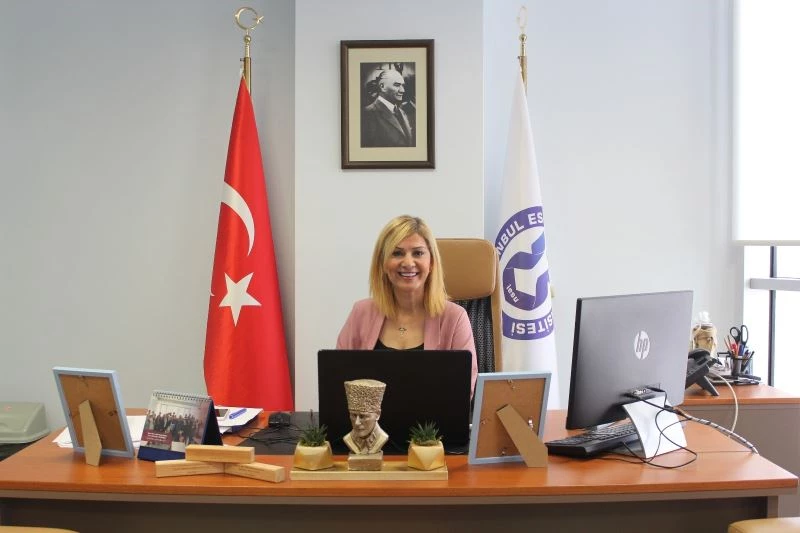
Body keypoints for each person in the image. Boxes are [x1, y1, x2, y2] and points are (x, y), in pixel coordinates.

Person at [337, 215, 478, 397]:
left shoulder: (455, 318)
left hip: (433, 417)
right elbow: (339, 381)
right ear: (383, 264)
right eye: (397, 253)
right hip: (367, 416)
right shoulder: (361, 313)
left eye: (418, 253)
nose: (408, 263)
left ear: (431, 263)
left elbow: (463, 392)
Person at [361, 69, 414, 148]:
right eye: (397, 85)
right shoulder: (367, 114)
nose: (402, 90)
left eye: (402, 85)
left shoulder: (402, 112)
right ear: (382, 87)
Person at [342, 379, 389, 455]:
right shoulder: (348, 439)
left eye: (362, 416)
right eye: (353, 415)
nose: (357, 423)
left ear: (377, 414)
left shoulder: (382, 437)